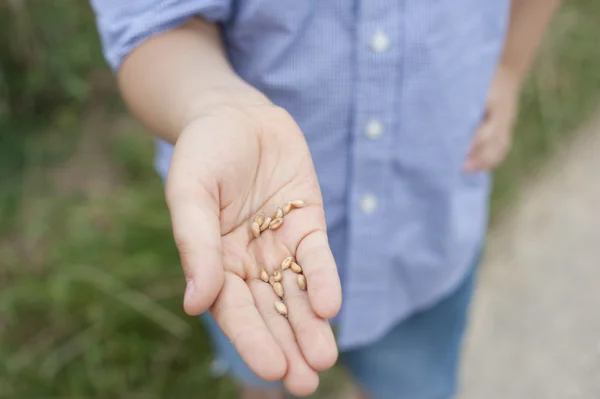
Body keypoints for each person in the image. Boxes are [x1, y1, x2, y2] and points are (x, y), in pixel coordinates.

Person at [90, 1, 561, 398]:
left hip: (425, 232)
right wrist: (214, 103)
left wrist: (510, 66)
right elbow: (152, 19)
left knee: (418, 382)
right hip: (240, 232)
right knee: (261, 363)